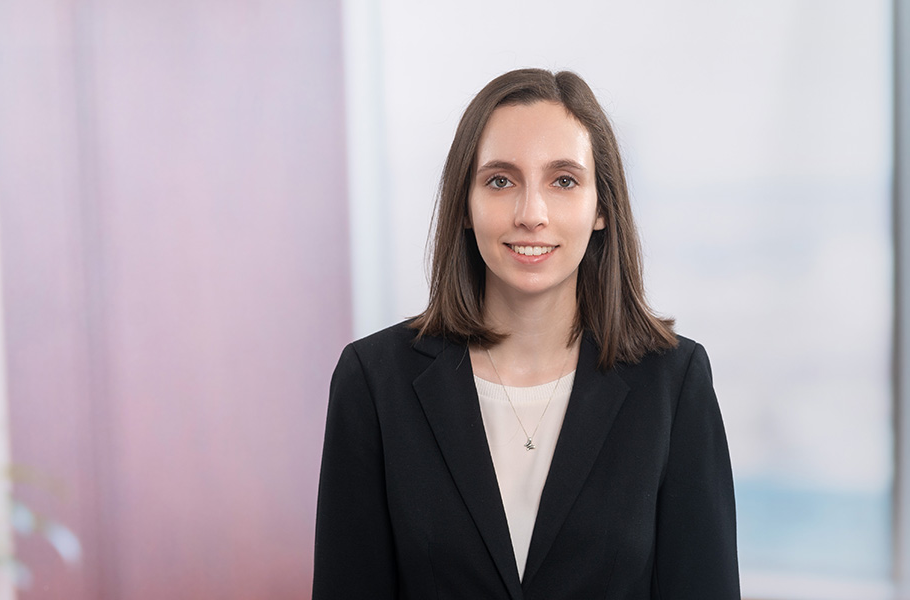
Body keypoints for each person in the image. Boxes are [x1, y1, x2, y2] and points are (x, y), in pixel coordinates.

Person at [313, 68, 740, 599]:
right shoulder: (374, 382)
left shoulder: (673, 384)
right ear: (464, 206)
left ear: (602, 207)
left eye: (563, 181)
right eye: (500, 180)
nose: (531, 214)